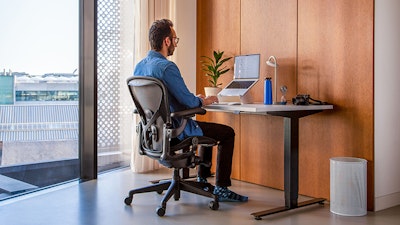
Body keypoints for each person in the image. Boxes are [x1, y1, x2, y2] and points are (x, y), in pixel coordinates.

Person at [133, 19, 248, 202]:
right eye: (175, 39)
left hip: (154, 134)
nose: (175, 44)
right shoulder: (167, 67)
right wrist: (202, 100)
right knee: (227, 133)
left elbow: (162, 99)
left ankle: (202, 178)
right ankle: (221, 188)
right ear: (167, 41)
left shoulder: (139, 67)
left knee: (203, 129)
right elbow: (188, 102)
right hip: (176, 131)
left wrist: (194, 100)